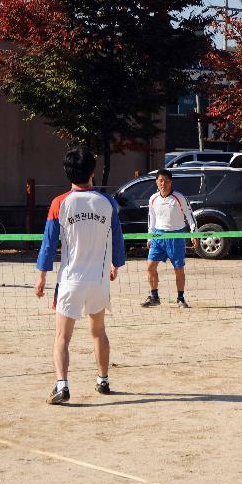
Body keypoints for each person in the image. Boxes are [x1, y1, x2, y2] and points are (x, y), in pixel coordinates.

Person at [35, 146, 126, 404]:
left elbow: (48, 244)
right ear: (92, 172)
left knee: (62, 337)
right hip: (98, 280)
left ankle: (62, 385)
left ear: (67, 173)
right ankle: (103, 379)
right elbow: (118, 240)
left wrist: (41, 275)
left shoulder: (59, 203)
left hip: (71, 280)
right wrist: (115, 264)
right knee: (99, 332)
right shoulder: (107, 203)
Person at [141, 169, 199, 308]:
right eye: (161, 180)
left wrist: (194, 233)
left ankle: (180, 298)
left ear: (170, 182)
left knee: (178, 269)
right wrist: (150, 237)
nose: (163, 184)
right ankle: (154, 296)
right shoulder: (153, 199)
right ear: (156, 182)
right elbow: (151, 219)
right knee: (150, 266)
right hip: (158, 236)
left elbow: (190, 215)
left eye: (166, 181)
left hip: (176, 236)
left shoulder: (179, 197)